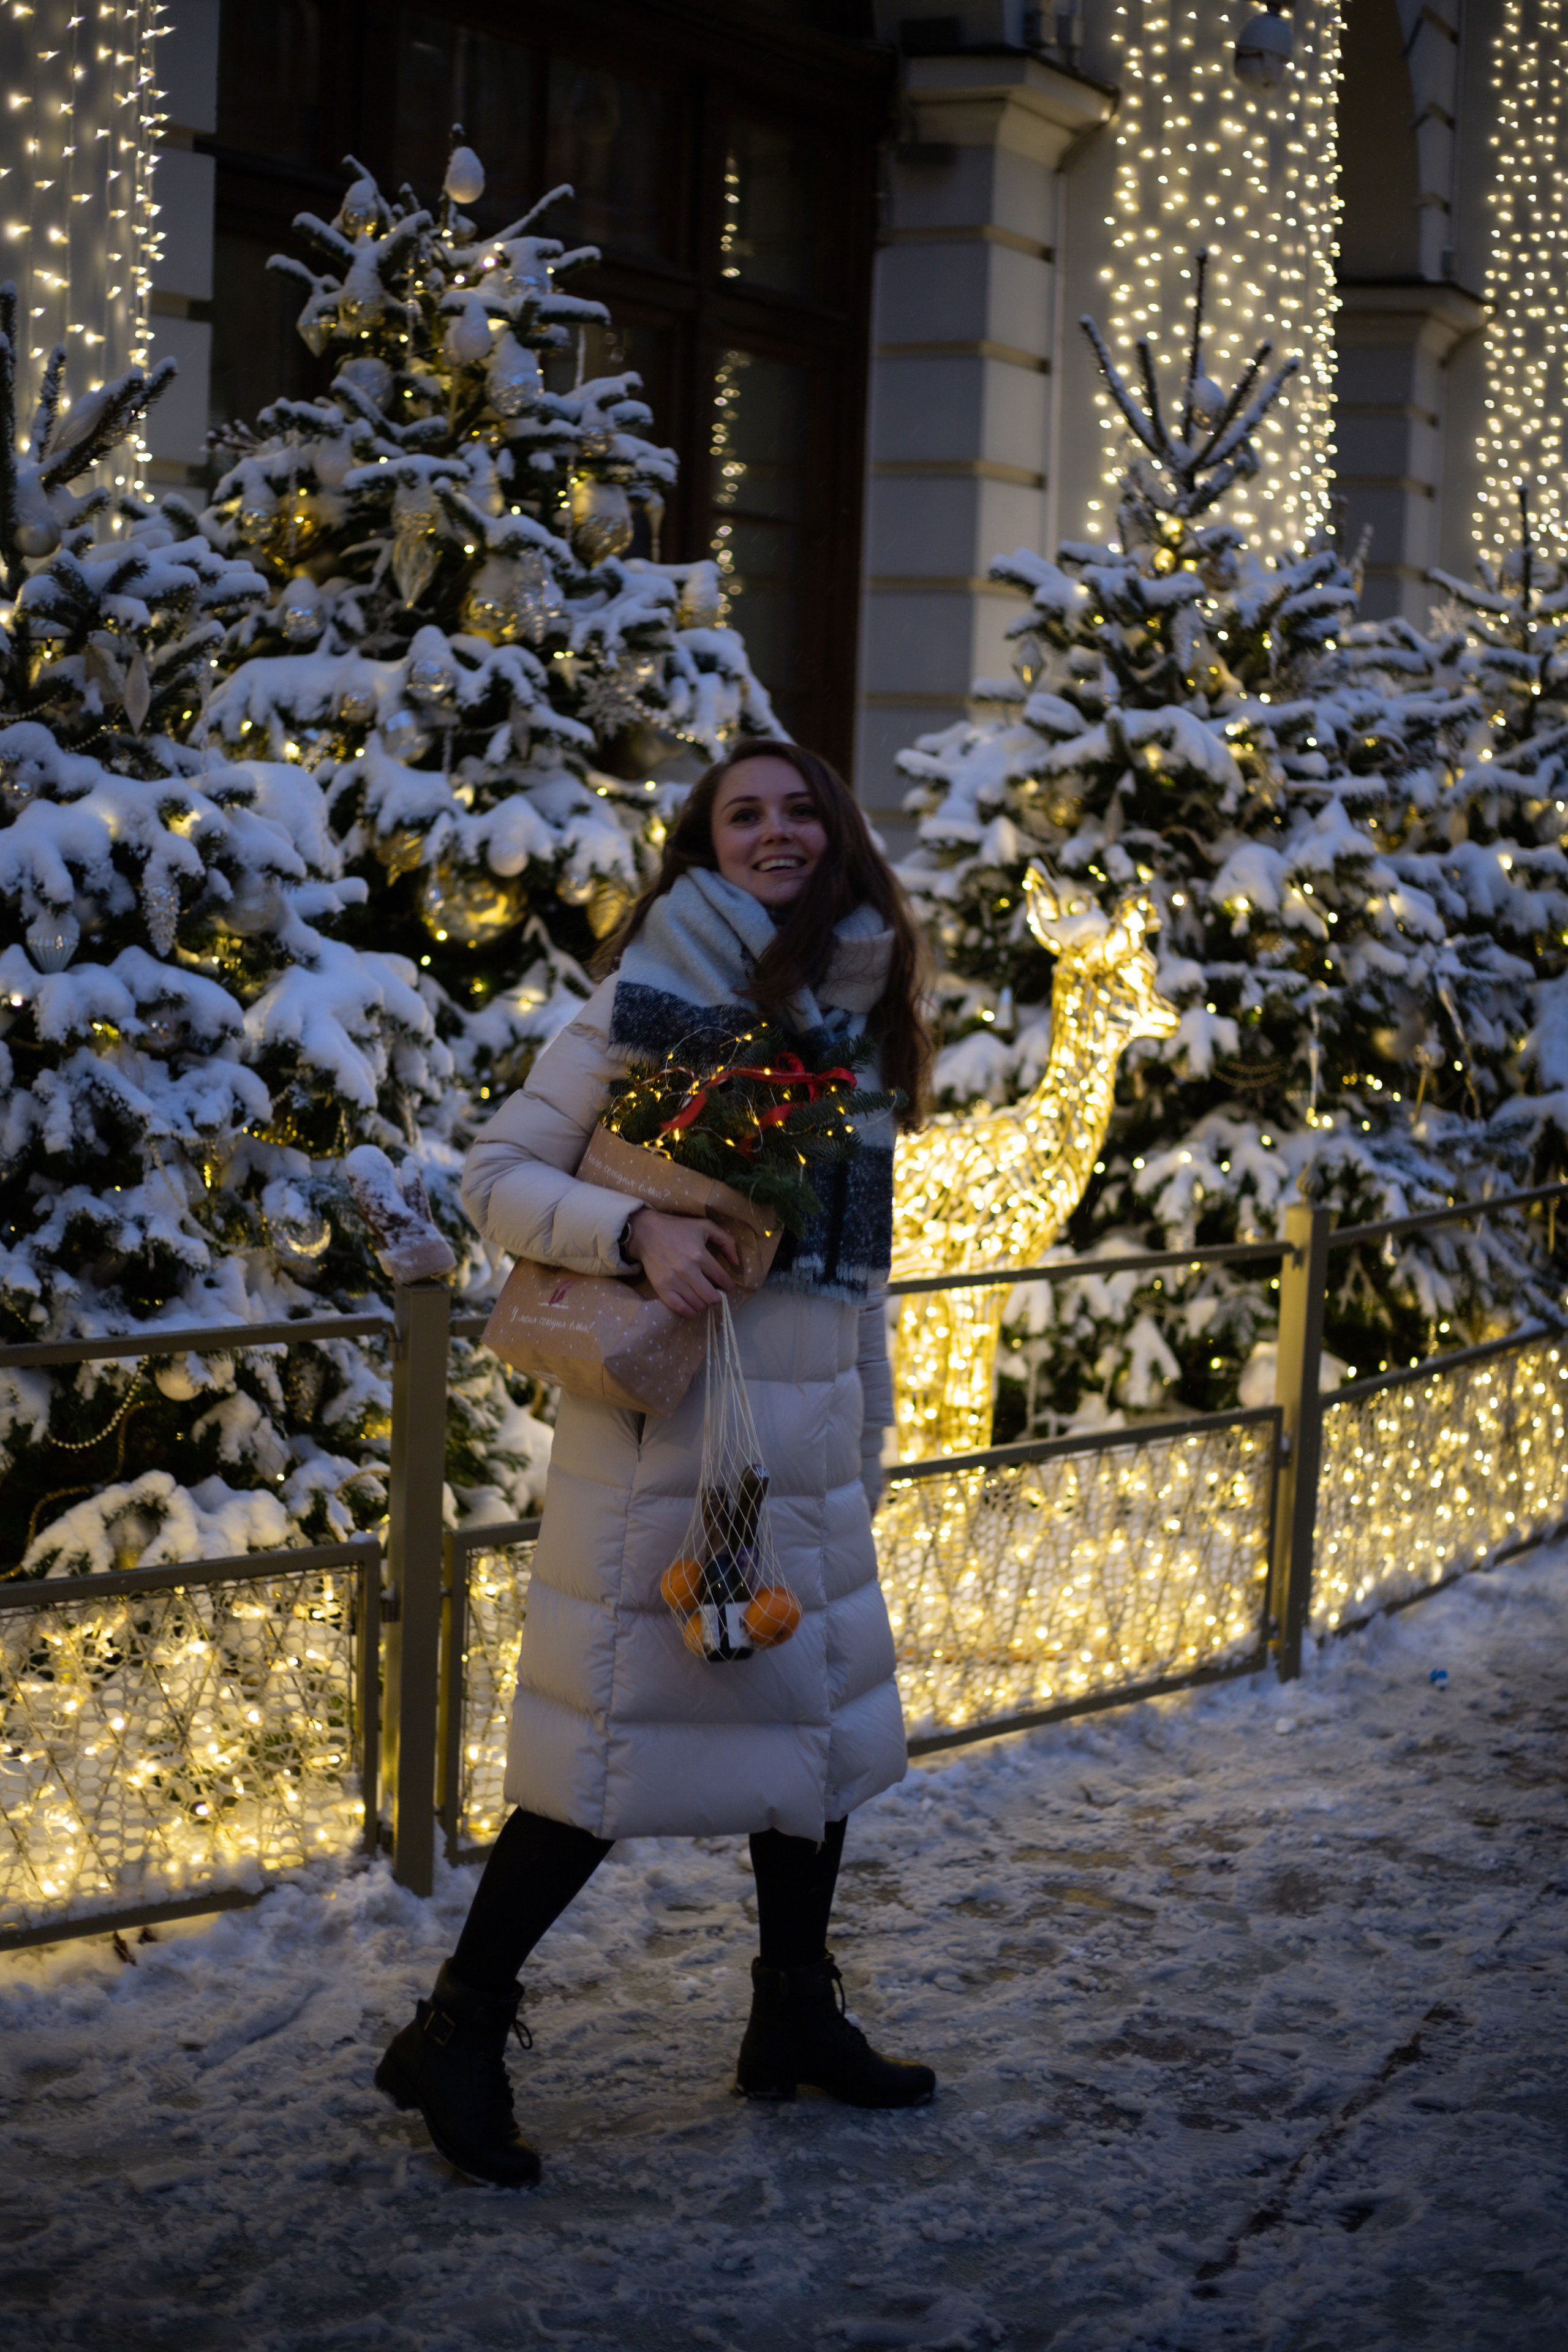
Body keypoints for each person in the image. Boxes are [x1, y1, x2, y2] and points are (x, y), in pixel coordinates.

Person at [376, 741, 936, 2185]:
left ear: (839, 831)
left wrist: (868, 1426)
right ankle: (458, 2027)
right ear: (701, 844)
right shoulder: (643, 993)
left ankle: (792, 2017)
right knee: (608, 1749)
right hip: (665, 1431)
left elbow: (852, 1271)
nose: (775, 831)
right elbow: (497, 1177)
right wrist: (636, 1232)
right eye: (741, 813)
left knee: (807, 1736)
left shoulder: (859, 1011)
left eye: (800, 806)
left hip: (803, 1436)